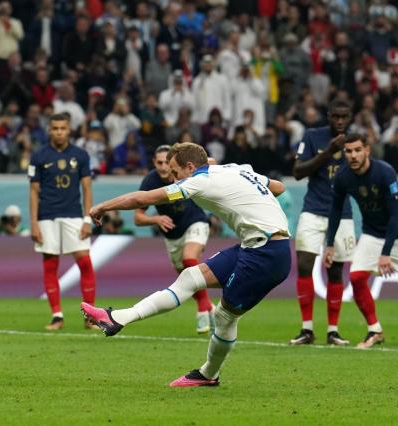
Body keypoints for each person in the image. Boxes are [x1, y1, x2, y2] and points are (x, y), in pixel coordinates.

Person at [81, 142, 290, 387]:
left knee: (224, 316)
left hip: (267, 254)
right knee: (191, 276)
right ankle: (117, 318)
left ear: (190, 167)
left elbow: (143, 198)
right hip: (255, 245)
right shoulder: (234, 168)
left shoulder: (198, 182)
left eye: (175, 171)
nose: (172, 177)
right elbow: (279, 187)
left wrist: (103, 206)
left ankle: (208, 374)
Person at [325, 134, 398, 348]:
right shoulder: (343, 177)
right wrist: (329, 244)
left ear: (367, 151)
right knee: (356, 278)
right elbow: (336, 210)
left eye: (357, 150)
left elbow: (395, 215)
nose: (353, 155)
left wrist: (386, 253)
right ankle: (375, 330)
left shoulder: (385, 172)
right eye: (348, 151)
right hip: (371, 233)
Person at [290, 100, 355, 346]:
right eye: (335, 116)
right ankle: (307, 329)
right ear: (328, 116)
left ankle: (333, 331)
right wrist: (327, 152)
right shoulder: (313, 136)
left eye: (344, 117)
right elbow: (298, 171)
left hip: (343, 213)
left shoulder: (354, 143)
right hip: (313, 210)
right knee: (305, 264)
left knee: (336, 270)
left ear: (349, 118)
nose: (339, 121)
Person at [134, 145, 214, 333]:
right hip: (172, 236)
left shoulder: (185, 171)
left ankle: (203, 311)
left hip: (196, 223)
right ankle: (210, 307)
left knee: (189, 259)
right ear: (154, 162)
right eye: (159, 162)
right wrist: (155, 218)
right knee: (187, 278)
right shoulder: (150, 181)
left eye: (166, 162)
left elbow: (210, 163)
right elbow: (138, 217)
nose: (164, 167)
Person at [29, 112, 98, 331]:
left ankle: (89, 316)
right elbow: (33, 191)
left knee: (85, 263)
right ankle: (57, 316)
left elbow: (87, 188)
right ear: (49, 130)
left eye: (63, 128)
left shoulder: (81, 155)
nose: (59, 132)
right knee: (50, 266)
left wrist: (88, 218)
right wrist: (33, 222)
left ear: (69, 130)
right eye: (55, 128)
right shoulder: (39, 156)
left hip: (74, 215)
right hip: (47, 216)